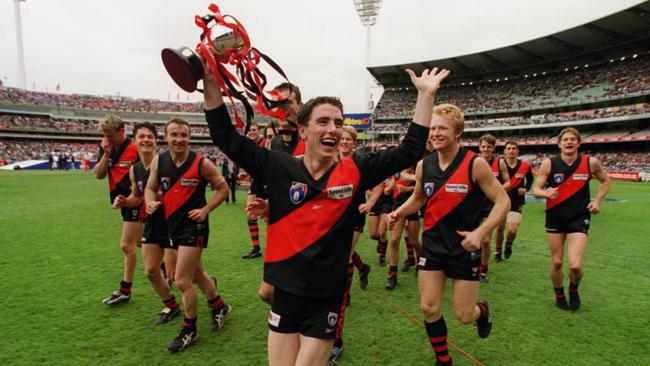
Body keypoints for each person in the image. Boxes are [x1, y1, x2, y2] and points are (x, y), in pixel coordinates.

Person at [204, 56, 449, 366]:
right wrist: (211, 84)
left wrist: (426, 96)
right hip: (285, 292)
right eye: (323, 122)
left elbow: (410, 150)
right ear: (303, 131)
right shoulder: (277, 166)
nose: (333, 128)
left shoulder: (356, 169)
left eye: (337, 122)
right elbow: (225, 137)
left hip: (326, 297)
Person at [386, 103, 509, 366]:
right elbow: (419, 198)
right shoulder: (423, 165)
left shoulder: (475, 164)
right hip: (432, 246)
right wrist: (400, 212)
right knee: (429, 308)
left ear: (458, 133)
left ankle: (482, 311)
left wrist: (481, 232)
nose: (435, 132)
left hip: (465, 248)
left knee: (464, 315)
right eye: (432, 128)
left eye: (442, 128)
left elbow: (503, 202)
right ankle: (444, 359)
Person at [145, 118, 232, 352]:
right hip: (170, 227)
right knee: (191, 275)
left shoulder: (202, 164)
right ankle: (219, 306)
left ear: (189, 137)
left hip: (193, 227)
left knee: (182, 281)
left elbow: (223, 188)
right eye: (174, 135)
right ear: (166, 137)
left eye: (184, 135)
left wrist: (205, 210)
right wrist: (150, 202)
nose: (179, 139)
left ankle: (189, 329)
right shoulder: (158, 161)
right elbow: (150, 188)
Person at [533, 127, 610, 311]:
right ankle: (559, 294)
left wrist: (597, 201)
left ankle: (573, 289)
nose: (569, 142)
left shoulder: (590, 163)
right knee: (557, 262)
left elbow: (606, 181)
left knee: (575, 266)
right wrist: (546, 193)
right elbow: (536, 190)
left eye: (572, 139)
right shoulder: (549, 164)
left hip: (579, 218)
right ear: (558, 143)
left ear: (578, 143)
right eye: (565, 139)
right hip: (555, 218)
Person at [112, 122, 181, 325]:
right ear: (134, 141)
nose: (146, 140)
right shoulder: (135, 170)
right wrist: (126, 201)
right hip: (152, 224)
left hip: (172, 223)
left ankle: (207, 286)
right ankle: (171, 305)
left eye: (149, 136)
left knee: (176, 274)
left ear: (155, 140)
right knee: (151, 271)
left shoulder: (167, 163)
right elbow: (137, 197)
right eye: (141, 136)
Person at [246, 82, 304, 305]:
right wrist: (258, 195)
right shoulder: (276, 142)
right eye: (276, 103)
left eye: (287, 102)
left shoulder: (315, 138)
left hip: (311, 230)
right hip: (281, 228)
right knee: (267, 293)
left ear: (299, 104)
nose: (281, 108)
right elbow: (266, 175)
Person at [328, 126, 372, 364]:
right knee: (341, 256)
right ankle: (362, 268)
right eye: (341, 139)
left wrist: (370, 203)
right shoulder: (331, 160)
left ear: (354, 143)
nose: (344, 142)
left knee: (344, 259)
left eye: (348, 140)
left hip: (355, 218)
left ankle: (337, 339)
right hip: (333, 220)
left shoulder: (361, 163)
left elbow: (376, 188)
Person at [94, 116, 141, 306]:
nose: (108, 139)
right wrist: (106, 154)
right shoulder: (107, 147)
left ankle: (125, 290)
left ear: (122, 131)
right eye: (105, 136)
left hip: (135, 201)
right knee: (142, 242)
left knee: (126, 245)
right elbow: (99, 174)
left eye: (110, 135)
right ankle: (167, 268)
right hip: (122, 203)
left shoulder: (136, 148)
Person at [477, 134, 510, 283]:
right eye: (483, 146)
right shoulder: (474, 161)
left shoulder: (500, 163)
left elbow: (508, 182)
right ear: (479, 147)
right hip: (474, 205)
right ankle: (470, 265)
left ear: (493, 148)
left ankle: (483, 270)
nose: (486, 149)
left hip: (490, 206)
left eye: (489, 147)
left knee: (484, 240)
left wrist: (497, 191)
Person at [494, 141, 533, 262]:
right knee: (500, 229)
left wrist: (526, 188)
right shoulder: (499, 164)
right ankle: (498, 252)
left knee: (512, 230)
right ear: (504, 151)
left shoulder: (525, 166)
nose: (511, 151)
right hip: (501, 201)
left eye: (513, 148)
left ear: (517, 151)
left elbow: (530, 179)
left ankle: (509, 244)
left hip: (516, 202)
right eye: (508, 148)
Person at [242, 122, 268, 259]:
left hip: (267, 181)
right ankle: (256, 248)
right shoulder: (250, 147)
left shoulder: (266, 143)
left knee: (268, 217)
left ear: (259, 131)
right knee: (250, 213)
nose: (252, 132)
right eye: (250, 130)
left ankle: (278, 244)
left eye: (254, 130)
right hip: (256, 181)